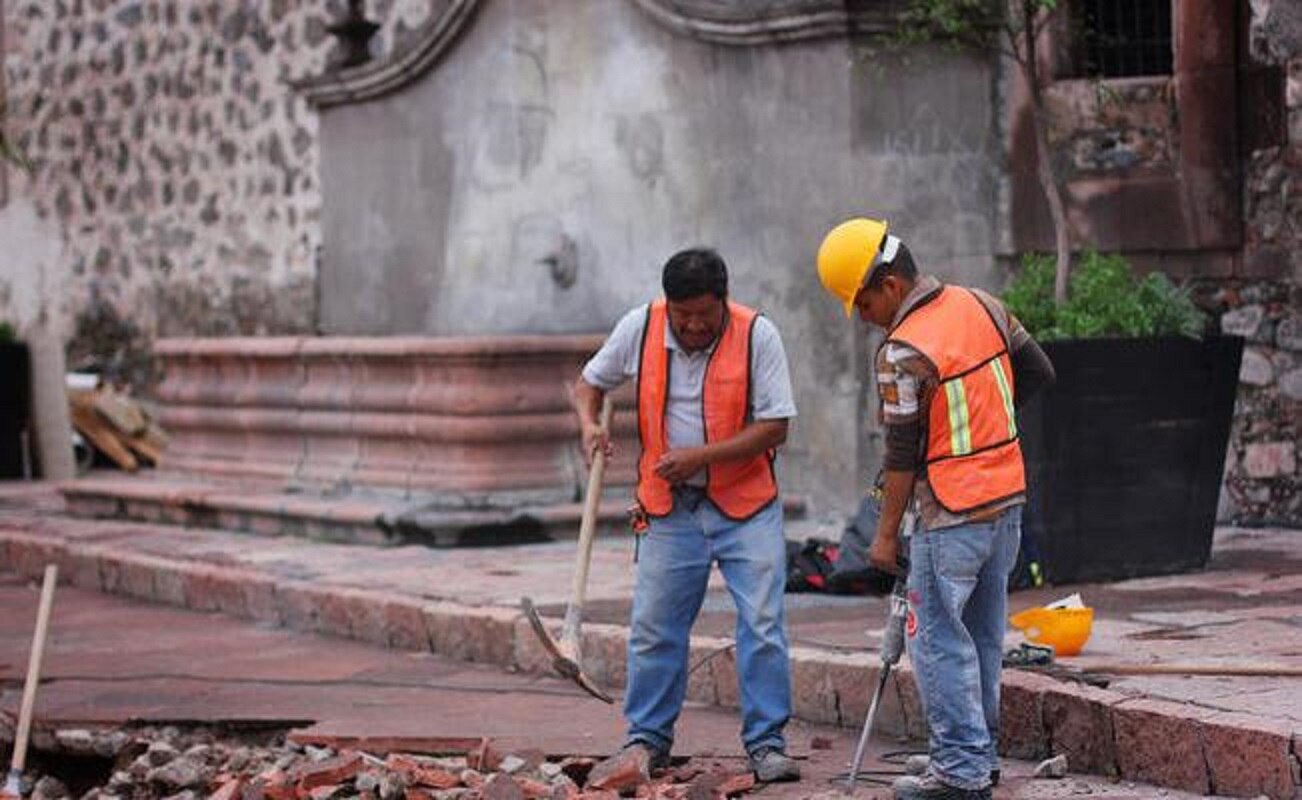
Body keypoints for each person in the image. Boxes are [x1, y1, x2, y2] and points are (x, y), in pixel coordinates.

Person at [815, 218, 1055, 800]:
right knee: (981, 633)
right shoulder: (983, 305)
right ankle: (979, 755)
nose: (865, 315)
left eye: (864, 302)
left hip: (950, 512)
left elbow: (902, 451)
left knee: (936, 641)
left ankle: (958, 771)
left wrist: (884, 534)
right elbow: (1039, 373)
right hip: (1005, 502)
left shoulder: (902, 350)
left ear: (891, 285)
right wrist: (977, 423)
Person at [574, 248, 801, 784]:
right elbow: (590, 384)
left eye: (705, 314)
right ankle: (647, 739)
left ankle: (767, 744)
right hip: (668, 508)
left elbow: (775, 426)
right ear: (668, 307)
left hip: (745, 504)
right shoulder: (641, 326)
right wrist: (588, 423)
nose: (695, 326)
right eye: (684, 317)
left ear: (723, 301)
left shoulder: (757, 335)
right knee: (654, 627)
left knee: (763, 625)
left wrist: (701, 457)